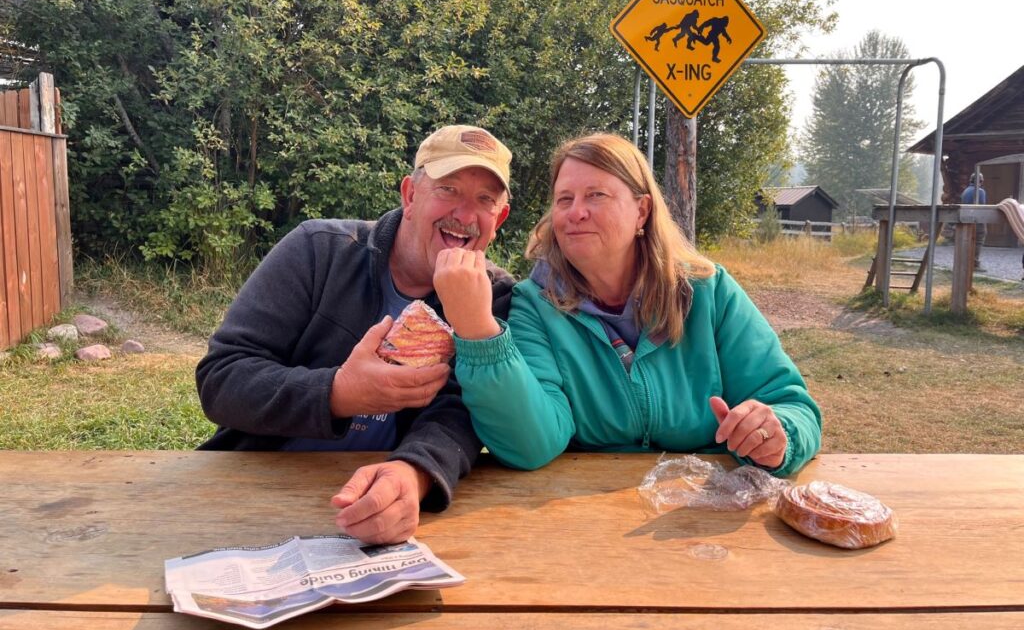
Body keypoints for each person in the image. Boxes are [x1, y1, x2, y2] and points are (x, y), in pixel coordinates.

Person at [196, 125, 515, 544]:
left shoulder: (495, 297)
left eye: (484, 200)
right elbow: (220, 380)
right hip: (252, 487)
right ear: (410, 196)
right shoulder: (318, 249)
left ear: (499, 219)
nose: (464, 213)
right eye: (448, 189)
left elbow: (462, 414)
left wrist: (414, 473)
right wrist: (339, 392)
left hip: (377, 511)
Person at [433, 133, 820, 474]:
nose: (575, 212)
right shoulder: (536, 305)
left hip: (709, 510)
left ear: (642, 211)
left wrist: (777, 435)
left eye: (596, 195)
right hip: (588, 521)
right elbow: (533, 444)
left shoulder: (708, 292)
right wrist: (481, 336)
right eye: (564, 199)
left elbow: (791, 405)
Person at [961, 172, 987, 270]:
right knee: (978, 240)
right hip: (977, 220)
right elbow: (982, 207)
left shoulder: (966, 191)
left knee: (968, 241)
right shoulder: (980, 191)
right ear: (981, 181)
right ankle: (974, 263)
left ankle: (966, 263)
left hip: (966, 219)